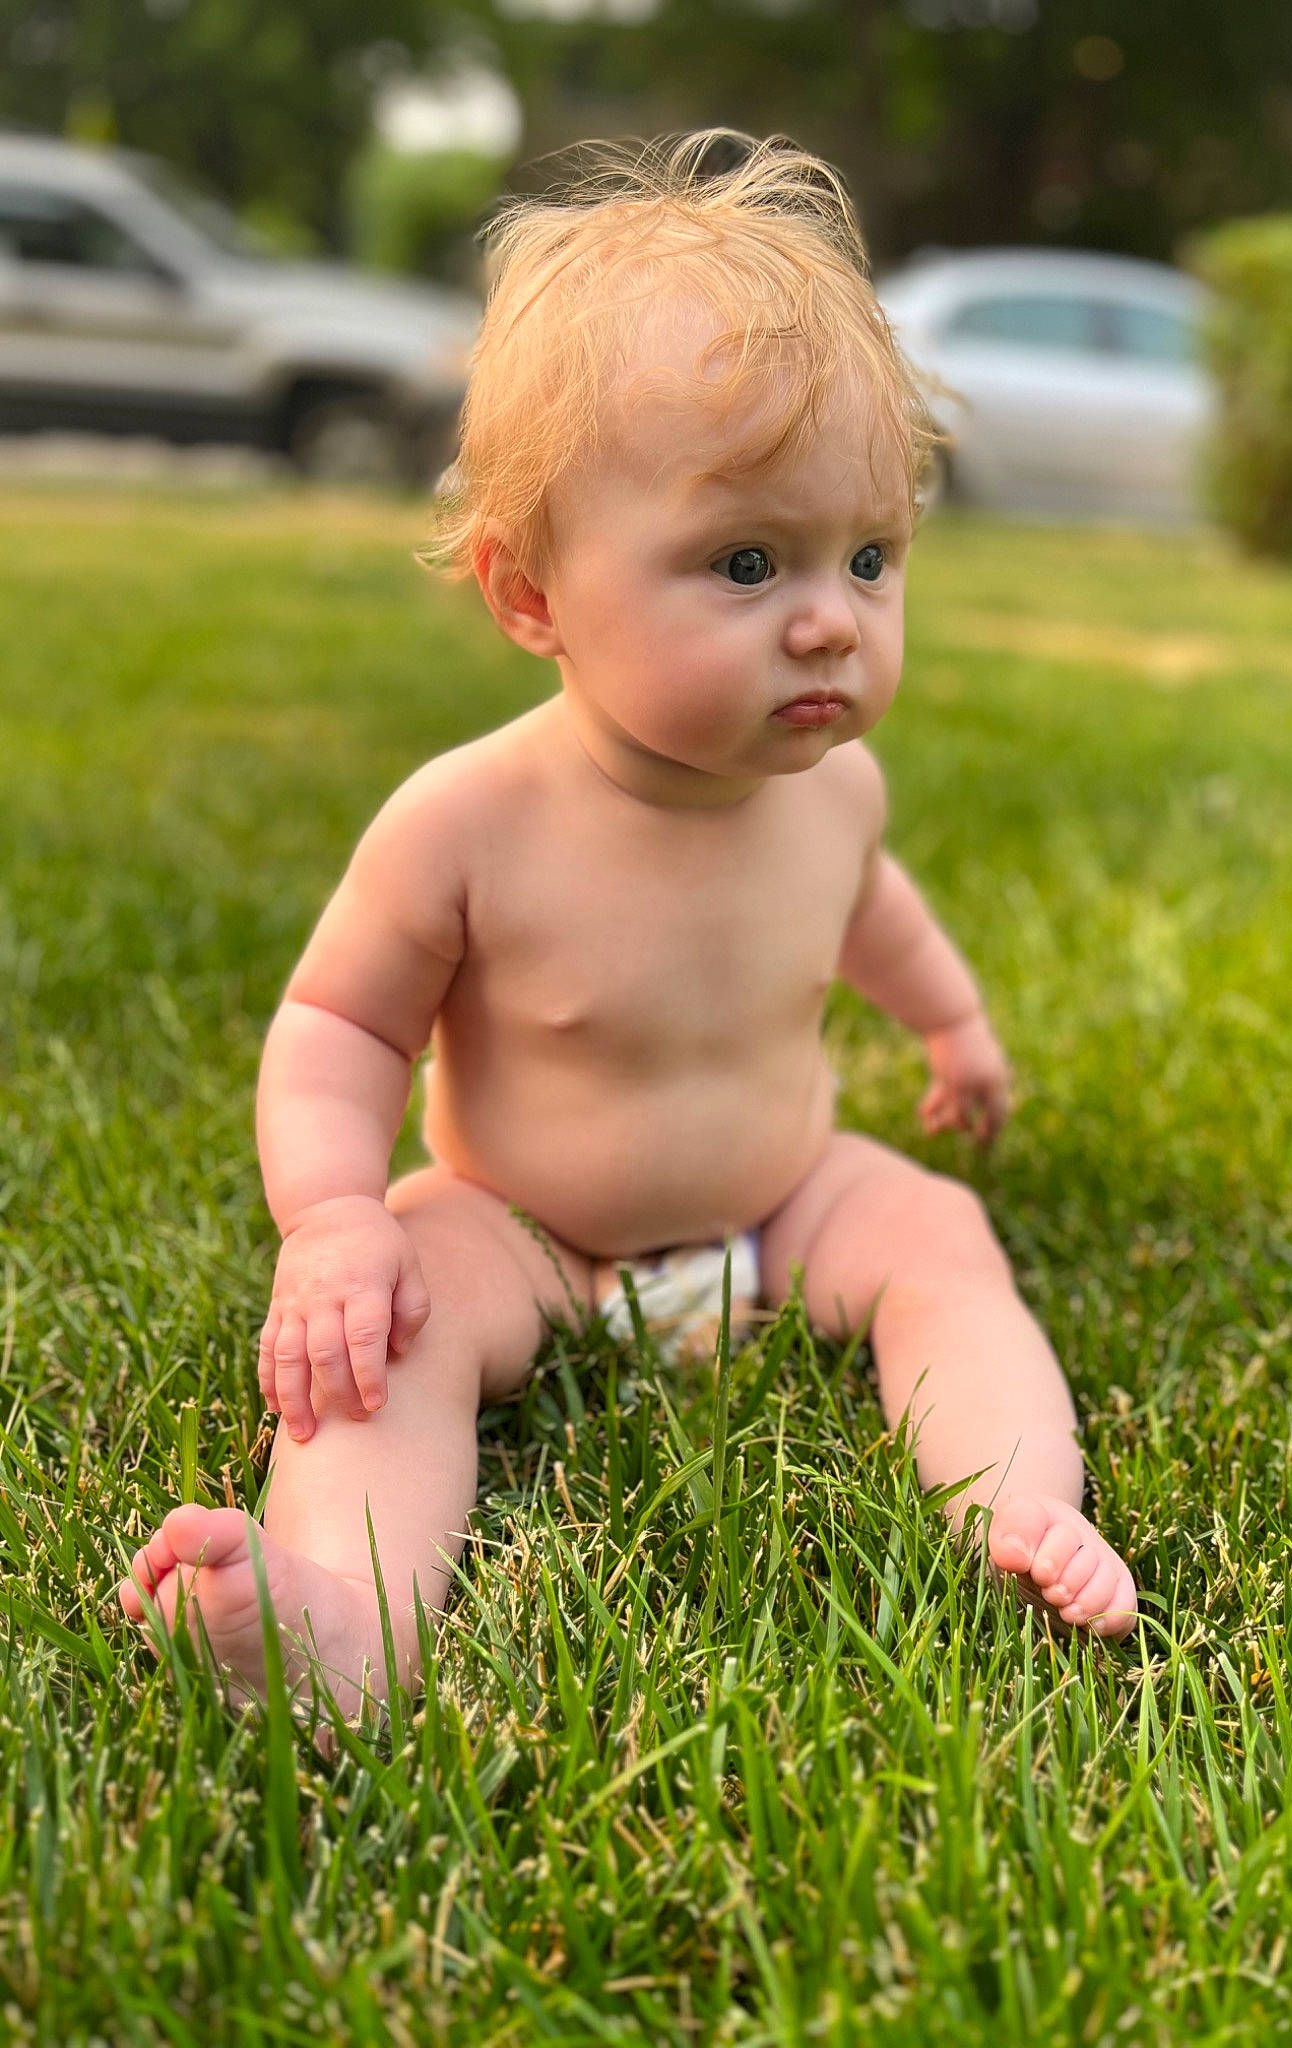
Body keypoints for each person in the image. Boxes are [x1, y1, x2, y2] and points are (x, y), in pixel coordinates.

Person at [119, 132, 1136, 1724]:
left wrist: (951, 1026)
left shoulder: (836, 787)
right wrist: (333, 1216)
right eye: (747, 562)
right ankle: (342, 1622)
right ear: (531, 598)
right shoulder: (465, 823)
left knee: (941, 1241)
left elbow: (873, 914)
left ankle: (1019, 1500)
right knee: (388, 1334)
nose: (830, 616)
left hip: (779, 1201)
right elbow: (339, 1026)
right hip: (524, 1223)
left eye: (871, 557)